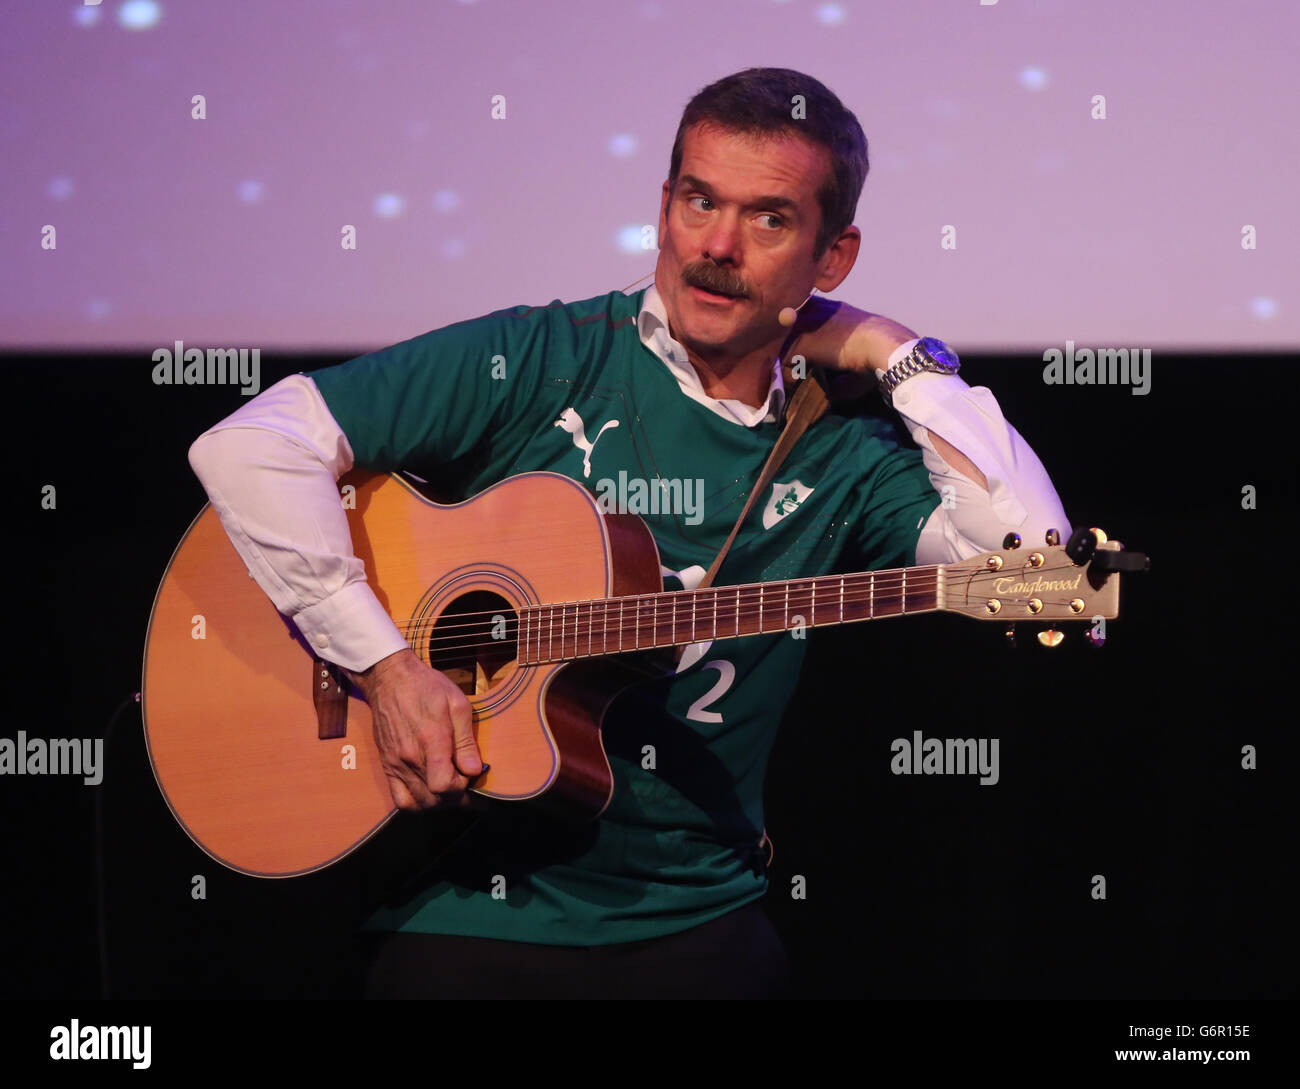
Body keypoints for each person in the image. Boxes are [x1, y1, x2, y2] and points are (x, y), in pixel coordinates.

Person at [187, 67, 1069, 999]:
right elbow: (251, 447)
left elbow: (1034, 564)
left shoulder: (843, 452)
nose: (717, 247)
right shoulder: (542, 357)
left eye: (768, 219)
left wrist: (895, 352)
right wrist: (381, 662)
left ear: (832, 257)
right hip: (460, 914)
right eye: (698, 201)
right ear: (664, 205)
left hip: (699, 923)